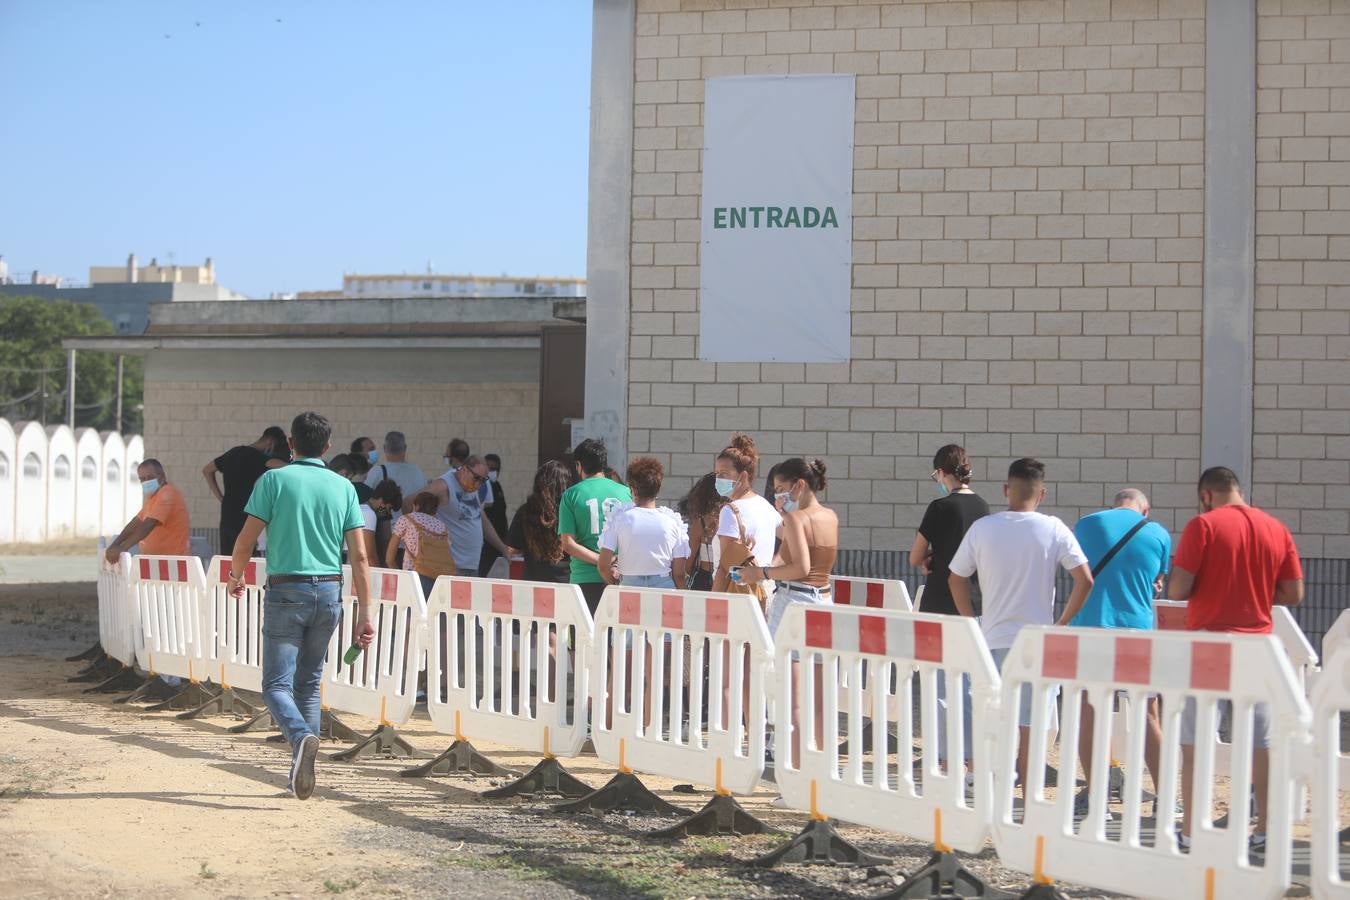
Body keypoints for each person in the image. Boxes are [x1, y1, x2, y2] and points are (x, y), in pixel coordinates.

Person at [228, 412, 373, 801]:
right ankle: (303, 772)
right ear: (328, 447)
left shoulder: (273, 480)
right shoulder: (343, 487)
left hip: (286, 589)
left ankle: (301, 737)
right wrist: (366, 613)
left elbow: (246, 539)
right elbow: (360, 557)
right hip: (329, 591)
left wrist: (235, 575)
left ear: (290, 444)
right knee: (308, 683)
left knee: (275, 686)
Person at [1168, 466, 1303, 853]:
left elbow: (1179, 587)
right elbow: (1293, 592)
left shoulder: (1203, 526)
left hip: (1210, 642)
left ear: (1206, 494)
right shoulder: (1275, 528)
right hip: (1258, 644)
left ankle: (1193, 831)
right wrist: (1254, 591)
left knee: (1195, 741)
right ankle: (1265, 830)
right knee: (1261, 742)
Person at [948, 458, 1093, 794]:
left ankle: (990, 798)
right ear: (1041, 493)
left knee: (995, 723)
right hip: (1038, 642)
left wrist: (971, 621)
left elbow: (956, 578)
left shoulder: (983, 528)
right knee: (1031, 727)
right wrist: (1062, 622)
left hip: (994, 638)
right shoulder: (1054, 528)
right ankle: (1028, 802)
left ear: (1005, 490)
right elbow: (1084, 579)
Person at [1071, 488, 1172, 817]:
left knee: (1091, 710)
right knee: (1147, 713)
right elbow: (1156, 580)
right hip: (1136, 631)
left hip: (1092, 626)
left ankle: (1097, 795)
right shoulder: (1157, 533)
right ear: (1146, 510)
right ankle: (1165, 796)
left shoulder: (1086, 525)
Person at [738, 457, 836, 769]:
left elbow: (799, 568)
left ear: (799, 485)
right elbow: (809, 563)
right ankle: (821, 765)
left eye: (781, 489)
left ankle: (792, 767)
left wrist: (760, 574)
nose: (778, 495)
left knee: (790, 693)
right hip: (824, 600)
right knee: (819, 695)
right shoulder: (830, 517)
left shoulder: (796, 519)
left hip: (794, 602)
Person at [909, 444, 990, 770]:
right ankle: (971, 755)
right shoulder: (984, 508)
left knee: (940, 684)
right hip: (974, 598)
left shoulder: (940, 507)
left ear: (942, 472)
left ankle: (944, 756)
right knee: (971, 684)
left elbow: (916, 555)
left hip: (940, 598)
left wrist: (929, 558)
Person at [558, 439, 632, 612]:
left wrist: (602, 560)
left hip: (584, 578)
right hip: (619, 576)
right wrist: (612, 561)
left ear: (579, 465)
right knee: (616, 637)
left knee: (584, 637)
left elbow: (568, 544)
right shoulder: (625, 492)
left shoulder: (571, 495)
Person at [597, 457, 689, 589]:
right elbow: (679, 574)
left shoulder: (619, 518)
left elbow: (603, 566)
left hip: (629, 585)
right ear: (658, 488)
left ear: (632, 489)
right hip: (664, 586)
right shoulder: (673, 521)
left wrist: (616, 583)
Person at [415, 452, 510, 575]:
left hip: (471, 564)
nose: (478, 484)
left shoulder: (472, 487)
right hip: (450, 565)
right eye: (476, 478)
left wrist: (503, 548)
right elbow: (411, 503)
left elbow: (481, 520)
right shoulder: (444, 485)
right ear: (464, 469)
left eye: (483, 480)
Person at [710, 433, 782, 595]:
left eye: (724, 473)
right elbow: (790, 541)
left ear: (742, 476)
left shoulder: (730, 511)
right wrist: (769, 568)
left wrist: (713, 601)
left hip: (737, 594)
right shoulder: (766, 506)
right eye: (716, 474)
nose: (718, 478)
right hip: (766, 590)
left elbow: (724, 568)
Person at [202, 427, 288, 555]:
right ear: (270, 443)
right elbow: (279, 465)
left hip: (227, 518)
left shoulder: (233, 453)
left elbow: (207, 470)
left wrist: (221, 498)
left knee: (227, 562)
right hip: (245, 519)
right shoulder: (257, 457)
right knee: (249, 563)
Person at [105, 459, 191, 561]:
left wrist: (122, 548)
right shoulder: (153, 498)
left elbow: (149, 524)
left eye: (150, 477)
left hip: (174, 563)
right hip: (157, 562)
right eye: (142, 479)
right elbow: (135, 523)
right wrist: (115, 544)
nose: (146, 482)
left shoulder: (168, 493)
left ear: (162, 476)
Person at [506, 460, 572, 584]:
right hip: (565, 583)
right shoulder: (570, 511)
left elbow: (511, 549)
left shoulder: (525, 511)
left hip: (532, 582)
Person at [390, 491, 455, 596]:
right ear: (435, 510)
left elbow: (389, 558)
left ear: (415, 506)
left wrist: (400, 577)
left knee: (411, 611)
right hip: (439, 578)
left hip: (413, 576)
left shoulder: (406, 519)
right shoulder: (442, 527)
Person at [682, 474, 727, 591]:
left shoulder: (701, 523)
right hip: (727, 579)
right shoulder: (732, 519)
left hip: (704, 579)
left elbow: (688, 562)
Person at [364, 431, 427, 503]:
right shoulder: (418, 472)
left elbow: (365, 499)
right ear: (405, 448)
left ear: (384, 448)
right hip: (411, 514)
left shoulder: (377, 471)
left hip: (385, 514)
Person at [359, 479, 403, 569]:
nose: (387, 512)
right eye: (389, 508)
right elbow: (369, 556)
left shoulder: (360, 508)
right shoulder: (369, 514)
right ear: (382, 501)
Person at [479, 452, 510, 576]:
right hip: (486, 541)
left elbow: (501, 513)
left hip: (499, 539)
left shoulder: (497, 486)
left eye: (495, 469)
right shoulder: (481, 487)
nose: (492, 471)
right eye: (489, 468)